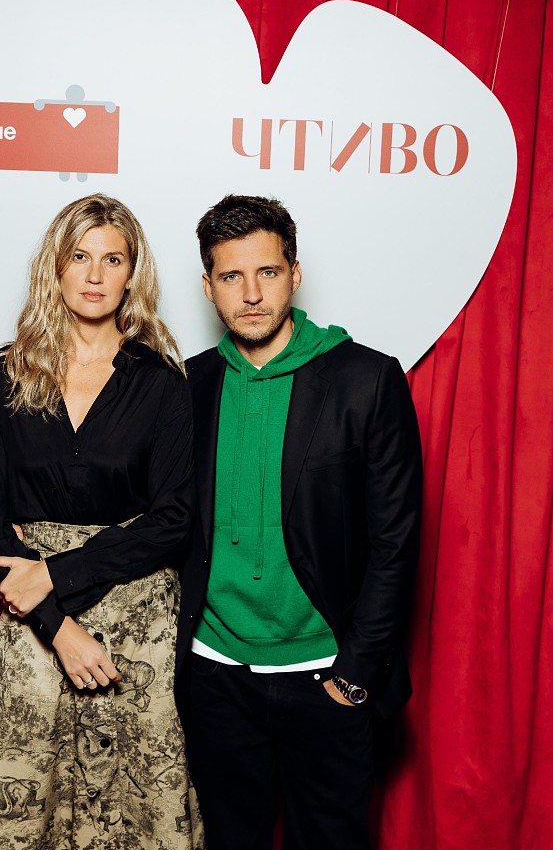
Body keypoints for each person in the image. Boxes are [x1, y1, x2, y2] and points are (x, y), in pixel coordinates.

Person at [0, 194, 203, 849]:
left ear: (132, 273)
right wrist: (58, 627)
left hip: (137, 622)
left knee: (135, 815)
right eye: (79, 257)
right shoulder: (2, 375)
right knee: (21, 810)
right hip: (32, 622)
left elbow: (173, 519)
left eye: (112, 259)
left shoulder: (162, 382)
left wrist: (55, 575)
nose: (94, 275)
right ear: (55, 267)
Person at [176, 194, 422, 850]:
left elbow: (395, 543)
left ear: (295, 273)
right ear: (207, 286)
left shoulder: (366, 380)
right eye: (231, 276)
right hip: (215, 674)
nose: (251, 293)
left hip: (325, 674)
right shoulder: (188, 385)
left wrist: (354, 677)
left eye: (268, 271)